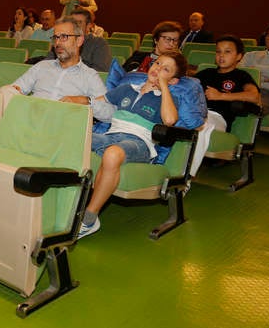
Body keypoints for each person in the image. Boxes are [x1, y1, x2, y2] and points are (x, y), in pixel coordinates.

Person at [78, 50, 188, 239]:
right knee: (73, 137)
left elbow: (169, 120)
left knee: (112, 154)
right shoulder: (127, 89)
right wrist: (78, 100)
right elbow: (97, 102)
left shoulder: (168, 99)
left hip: (140, 143)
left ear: (173, 80)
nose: (158, 69)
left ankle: (89, 220)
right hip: (110, 135)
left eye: (166, 69)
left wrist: (162, 85)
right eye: (158, 64)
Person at [10, 16, 106, 102]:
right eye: (55, 37)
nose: (58, 43)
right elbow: (15, 88)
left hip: (61, 119)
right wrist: (14, 92)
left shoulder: (90, 76)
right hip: (30, 116)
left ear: (79, 40)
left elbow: (109, 112)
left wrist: (87, 100)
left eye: (64, 37)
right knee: (6, 91)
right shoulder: (42, 66)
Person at [194, 36, 260, 131]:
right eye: (218, 51)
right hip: (196, 111)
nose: (221, 55)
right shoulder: (206, 73)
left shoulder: (241, 75)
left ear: (239, 56)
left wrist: (220, 95)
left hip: (217, 118)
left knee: (197, 123)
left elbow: (254, 96)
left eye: (227, 52)